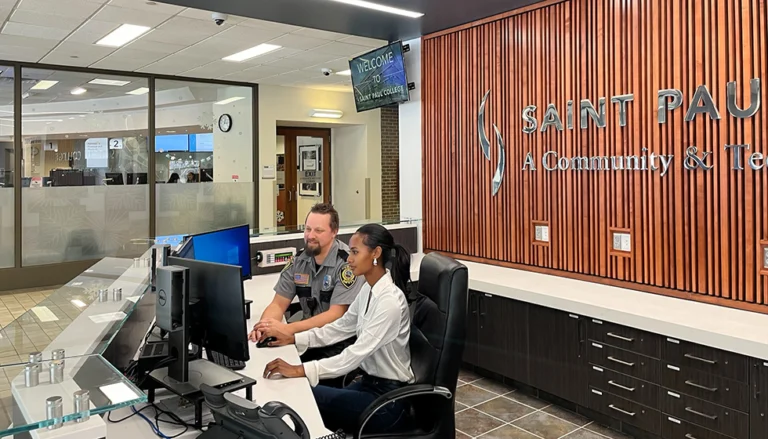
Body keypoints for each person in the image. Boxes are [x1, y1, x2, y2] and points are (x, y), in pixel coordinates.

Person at [261, 224, 415, 434]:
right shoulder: (369, 290)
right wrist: (295, 339)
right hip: (369, 386)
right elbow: (339, 328)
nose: (349, 259)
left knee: (300, 397)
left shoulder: (389, 302)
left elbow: (353, 355)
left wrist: (300, 370)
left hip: (388, 402)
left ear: (376, 253)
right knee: (301, 396)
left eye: (355, 252)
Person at [249, 203, 366, 384]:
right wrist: (264, 328)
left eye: (318, 230)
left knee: (286, 382)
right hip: (308, 338)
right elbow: (278, 303)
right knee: (268, 370)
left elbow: (336, 314)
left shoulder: (347, 264)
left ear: (334, 232)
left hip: (337, 346)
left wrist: (288, 330)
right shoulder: (300, 260)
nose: (310, 236)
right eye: (308, 229)